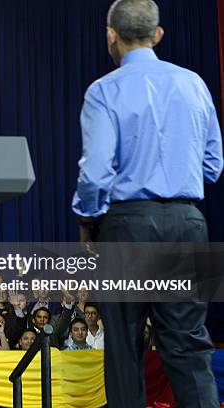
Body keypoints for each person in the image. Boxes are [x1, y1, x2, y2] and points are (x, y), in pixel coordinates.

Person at [72, 1, 222, 406]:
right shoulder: (194, 84)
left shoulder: (103, 91)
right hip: (188, 222)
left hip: (126, 227)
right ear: (158, 35)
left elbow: (96, 173)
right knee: (189, 347)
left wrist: (86, 220)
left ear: (111, 35)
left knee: (123, 349)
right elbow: (213, 166)